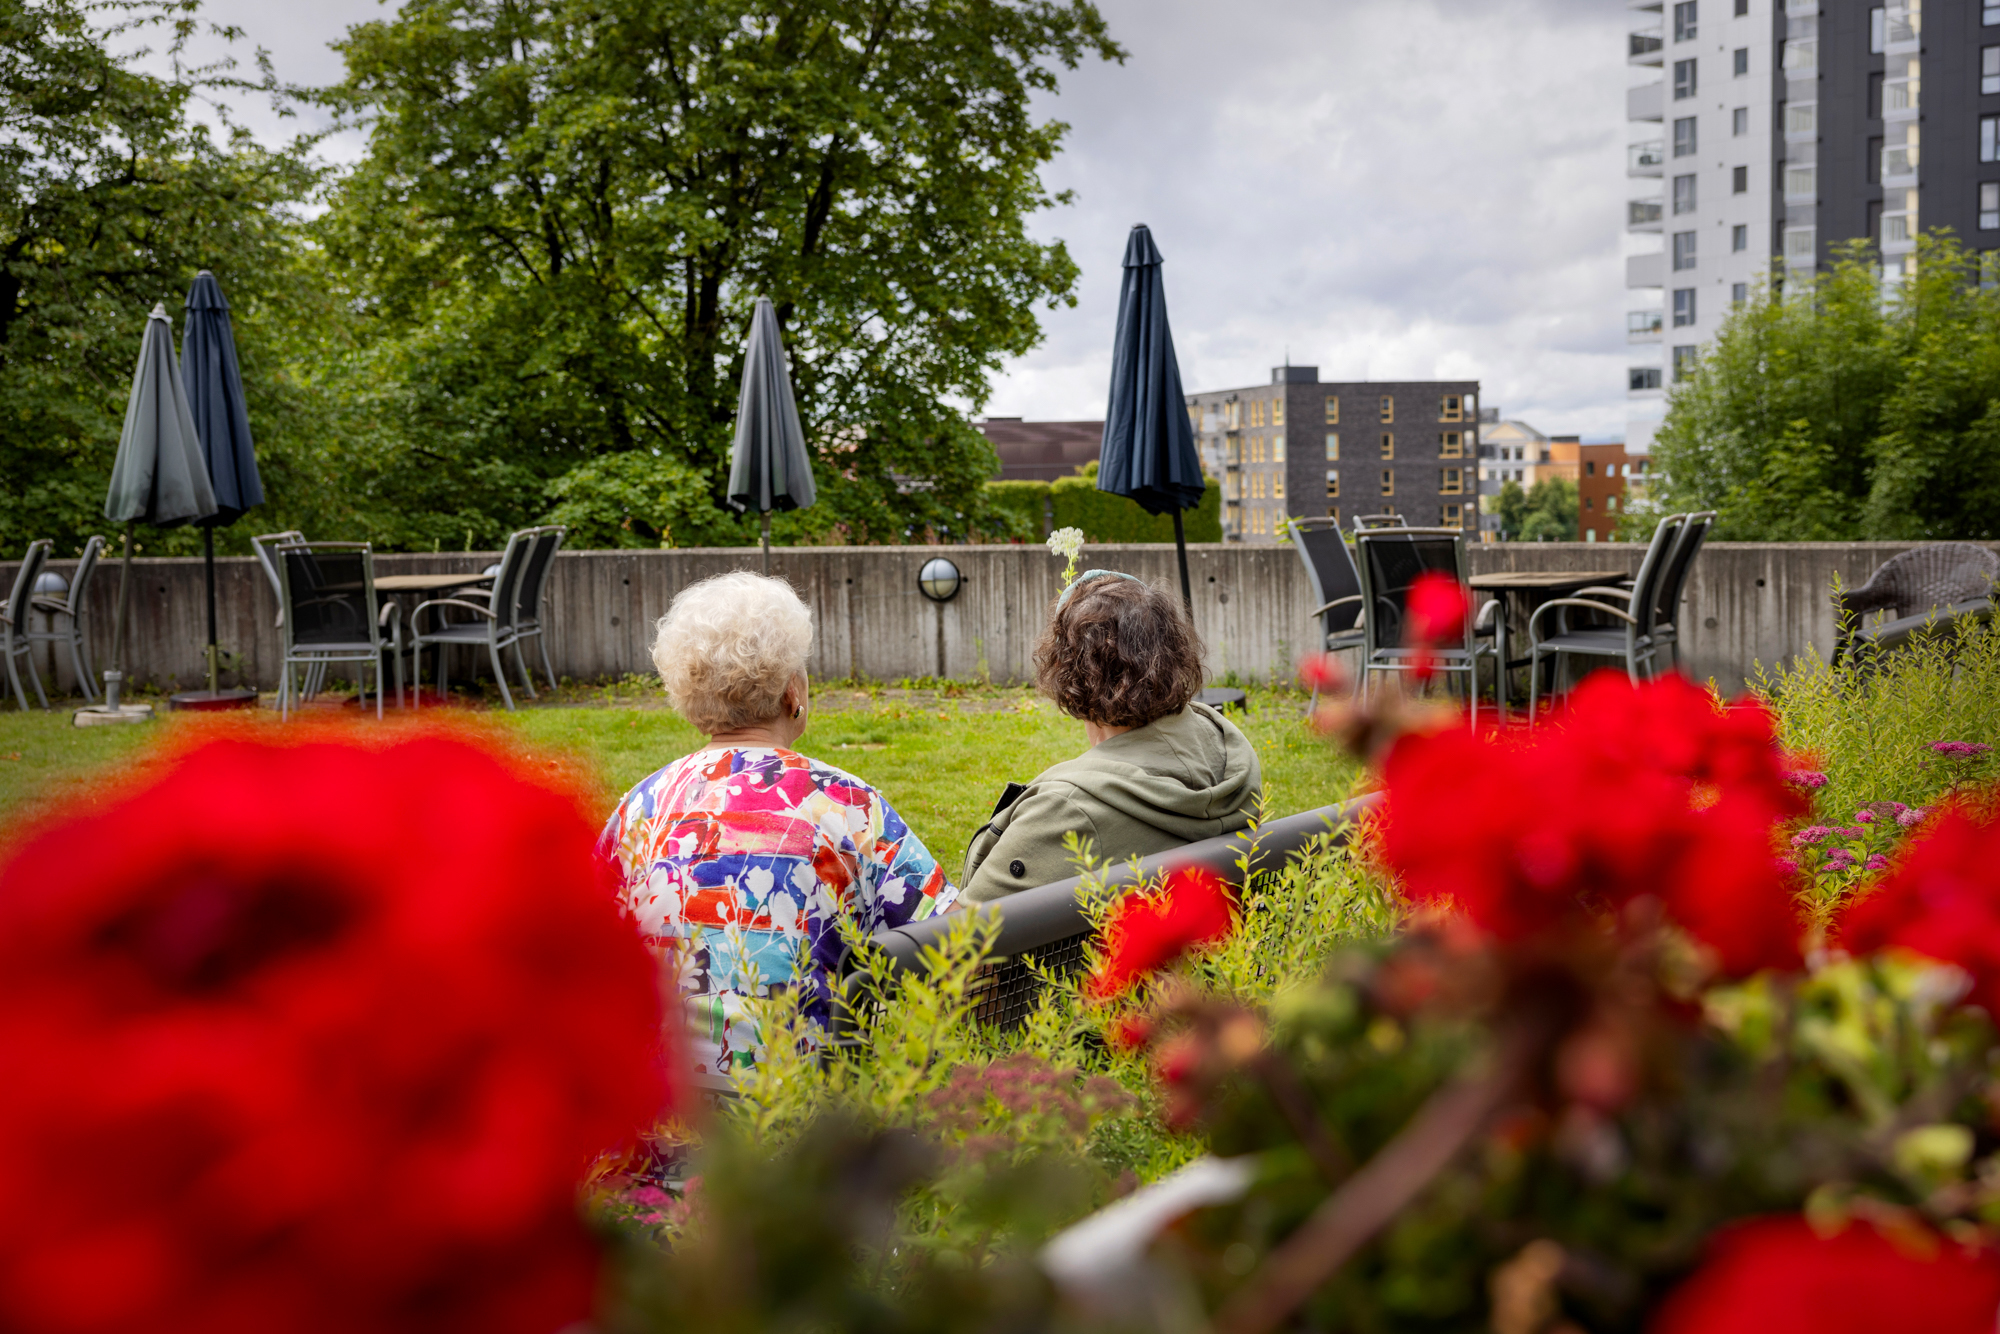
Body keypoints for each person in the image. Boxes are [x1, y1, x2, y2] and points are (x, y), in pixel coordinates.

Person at [599, 571, 957, 1076]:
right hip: (800, 1124)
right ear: (794, 693)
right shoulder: (846, 804)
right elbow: (958, 937)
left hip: (658, 1119)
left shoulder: (638, 809)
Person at [960, 571, 1262, 903]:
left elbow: (952, 942)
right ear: (1174, 650)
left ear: (1069, 670)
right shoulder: (1226, 750)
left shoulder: (1064, 809)